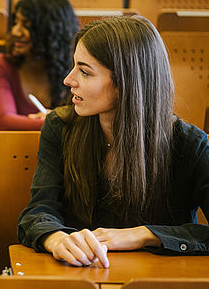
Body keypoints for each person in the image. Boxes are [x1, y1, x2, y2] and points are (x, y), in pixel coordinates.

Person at [17, 16, 209, 268]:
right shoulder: (60, 126)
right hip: (80, 275)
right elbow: (39, 211)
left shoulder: (190, 143)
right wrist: (55, 239)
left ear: (126, 83)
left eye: (84, 71)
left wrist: (143, 234)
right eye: (74, 66)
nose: (68, 80)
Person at [0, 0, 78, 130]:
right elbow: (5, 121)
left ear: (51, 31)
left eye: (27, 25)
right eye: (16, 22)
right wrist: (59, 120)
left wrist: (55, 119)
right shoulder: (1, 65)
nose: (16, 32)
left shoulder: (76, 67)